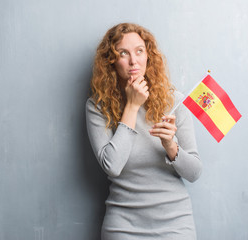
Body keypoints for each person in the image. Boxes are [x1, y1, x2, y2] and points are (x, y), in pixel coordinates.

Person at [85, 23, 203, 240]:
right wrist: (132, 106)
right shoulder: (97, 106)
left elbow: (194, 172)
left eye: (140, 51)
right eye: (123, 53)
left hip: (175, 226)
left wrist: (171, 146)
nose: (133, 61)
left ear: (148, 55)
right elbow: (112, 166)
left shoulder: (173, 101)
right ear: (111, 61)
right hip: (124, 227)